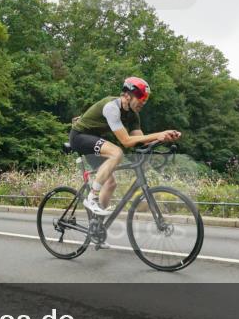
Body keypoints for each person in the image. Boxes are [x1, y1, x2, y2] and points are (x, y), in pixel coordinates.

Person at [70, 77, 181, 216]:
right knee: (117, 153)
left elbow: (140, 140)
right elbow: (126, 141)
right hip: (79, 137)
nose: (143, 102)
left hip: (95, 141)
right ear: (127, 95)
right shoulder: (112, 107)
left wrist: (165, 138)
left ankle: (97, 223)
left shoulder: (133, 115)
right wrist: (158, 134)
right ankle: (91, 198)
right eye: (141, 97)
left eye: (145, 99)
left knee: (110, 184)